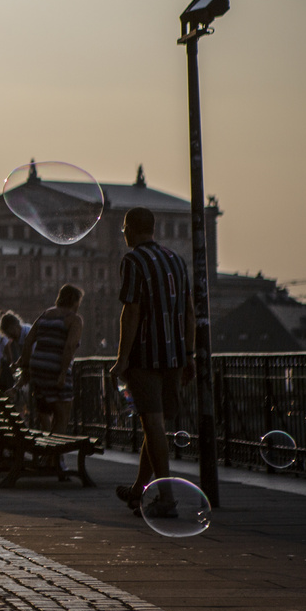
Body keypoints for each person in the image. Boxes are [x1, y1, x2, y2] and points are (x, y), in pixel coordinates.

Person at [112, 206, 194, 519]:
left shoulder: (132, 260)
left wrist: (122, 358)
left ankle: (167, 499)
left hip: (145, 357)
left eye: (123, 229)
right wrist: (189, 354)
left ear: (131, 229)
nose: (123, 234)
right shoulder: (176, 259)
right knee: (156, 425)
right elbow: (188, 311)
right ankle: (137, 492)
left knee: (152, 424)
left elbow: (131, 312)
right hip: (174, 356)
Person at [20, 285, 85, 434]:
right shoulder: (74, 320)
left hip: (37, 368)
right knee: (62, 414)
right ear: (75, 301)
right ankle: (55, 454)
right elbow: (69, 347)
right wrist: (63, 374)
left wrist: (25, 365)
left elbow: (29, 340)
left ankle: (48, 447)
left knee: (43, 409)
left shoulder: (45, 314)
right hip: (55, 368)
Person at [0, 311, 26, 392]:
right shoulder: (19, 338)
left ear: (14, 327)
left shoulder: (27, 335)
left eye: (9, 333)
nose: (9, 337)